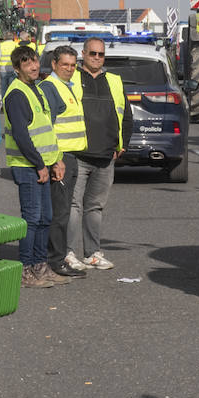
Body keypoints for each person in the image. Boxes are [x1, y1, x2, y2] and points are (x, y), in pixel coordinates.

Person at [3, 44, 70, 288]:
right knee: (31, 219)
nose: (33, 66)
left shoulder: (34, 89)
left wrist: (56, 159)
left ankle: (41, 267)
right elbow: (22, 136)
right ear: (16, 68)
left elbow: (45, 131)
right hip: (27, 165)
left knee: (45, 218)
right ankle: (26, 270)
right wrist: (40, 164)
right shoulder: (17, 93)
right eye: (26, 63)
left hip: (42, 163)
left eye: (34, 61)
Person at [67, 37, 132, 271]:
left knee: (94, 207)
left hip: (105, 156)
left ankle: (92, 253)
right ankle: (68, 253)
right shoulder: (71, 78)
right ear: (83, 54)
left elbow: (125, 114)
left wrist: (122, 144)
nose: (96, 58)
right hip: (77, 154)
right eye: (92, 53)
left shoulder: (114, 81)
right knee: (73, 206)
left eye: (101, 54)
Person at [38, 45, 88, 278]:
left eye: (72, 65)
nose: (69, 69)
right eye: (65, 64)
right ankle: (55, 261)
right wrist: (56, 159)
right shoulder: (51, 87)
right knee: (58, 213)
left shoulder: (66, 86)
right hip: (61, 158)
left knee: (64, 211)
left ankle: (55, 258)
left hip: (70, 156)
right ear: (54, 64)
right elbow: (47, 127)